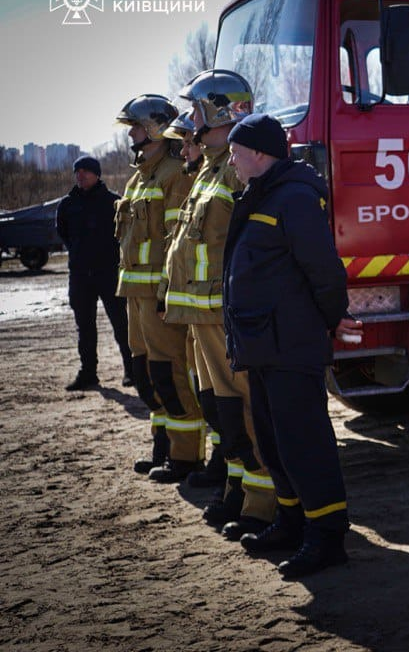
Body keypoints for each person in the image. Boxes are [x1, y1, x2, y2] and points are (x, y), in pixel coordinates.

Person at [222, 113, 358, 579]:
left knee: (305, 445)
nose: (234, 163)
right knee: (276, 444)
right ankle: (293, 522)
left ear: (260, 154)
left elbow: (324, 271)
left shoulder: (295, 197)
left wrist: (330, 320)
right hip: (264, 345)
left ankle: (326, 537)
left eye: (238, 154)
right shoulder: (263, 193)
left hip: (290, 345)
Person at [164, 69, 275, 541]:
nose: (190, 120)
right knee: (222, 411)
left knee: (247, 409)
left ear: (220, 110)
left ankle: (263, 503)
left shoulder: (238, 168)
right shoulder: (210, 167)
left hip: (225, 313)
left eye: (196, 110)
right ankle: (237, 488)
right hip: (201, 314)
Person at [112, 95, 204, 482]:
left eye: (135, 126)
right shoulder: (138, 176)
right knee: (145, 374)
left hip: (159, 295)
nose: (130, 134)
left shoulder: (174, 174)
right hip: (134, 294)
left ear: (153, 129)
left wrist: (168, 291)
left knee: (170, 373)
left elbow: (174, 242)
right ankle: (162, 446)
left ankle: (185, 457)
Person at [161, 110, 227, 489]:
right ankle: (224, 466)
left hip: (211, 304)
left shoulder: (222, 175)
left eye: (188, 141)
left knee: (228, 398)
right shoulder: (201, 176)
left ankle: (231, 472)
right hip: (193, 303)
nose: (183, 149)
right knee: (210, 394)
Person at [56, 155, 131, 391]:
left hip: (108, 274)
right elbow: (64, 234)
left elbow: (123, 237)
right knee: (85, 328)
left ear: (97, 174)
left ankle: (132, 371)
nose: (81, 175)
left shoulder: (113, 202)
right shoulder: (67, 205)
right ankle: (88, 374)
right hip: (80, 276)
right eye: (77, 171)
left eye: (86, 171)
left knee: (121, 324)